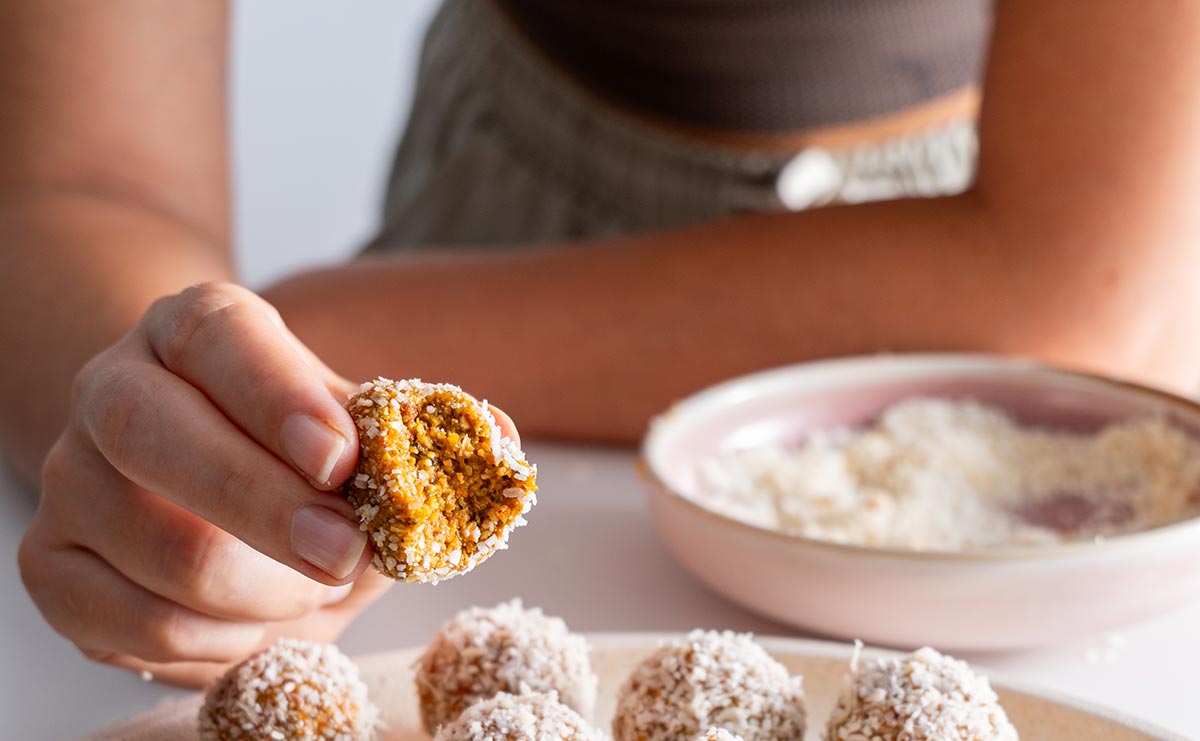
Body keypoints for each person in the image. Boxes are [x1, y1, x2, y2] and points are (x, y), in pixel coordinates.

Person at [4, 0, 1198, 685]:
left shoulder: (360, 322)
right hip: (496, 207)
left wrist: (335, 320)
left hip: (992, 394)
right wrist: (177, 409)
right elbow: (79, 179)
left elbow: (1068, 282)